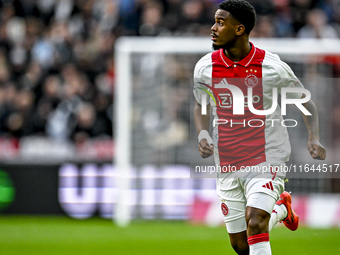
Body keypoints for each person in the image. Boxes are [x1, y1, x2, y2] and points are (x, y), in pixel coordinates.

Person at [193, 1, 326, 255]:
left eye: (221, 23)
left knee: (255, 223)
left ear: (240, 29)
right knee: (241, 245)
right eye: (214, 21)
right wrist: (202, 132)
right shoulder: (205, 67)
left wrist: (314, 137)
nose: (213, 28)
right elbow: (200, 105)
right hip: (228, 160)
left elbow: (305, 101)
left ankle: (273, 210)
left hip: (268, 155)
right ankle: (282, 209)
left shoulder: (272, 67)